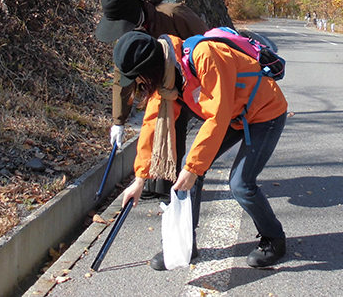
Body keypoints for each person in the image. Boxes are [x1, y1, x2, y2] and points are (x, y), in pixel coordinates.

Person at [114, 31, 288, 269]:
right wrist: (140, 179)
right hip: (235, 115)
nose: (140, 84)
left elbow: (217, 115)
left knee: (240, 184)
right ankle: (187, 243)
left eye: (139, 78)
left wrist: (193, 168)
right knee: (189, 169)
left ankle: (274, 239)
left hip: (264, 112)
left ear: (150, 68)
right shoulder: (165, 78)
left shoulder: (205, 57)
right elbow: (152, 126)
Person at [95, 0, 208, 199]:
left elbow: (207, 42)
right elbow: (123, 76)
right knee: (154, 124)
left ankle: (172, 185)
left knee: (176, 127)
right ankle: (153, 181)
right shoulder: (129, 33)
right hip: (157, 83)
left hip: (187, 80)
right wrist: (118, 121)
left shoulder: (173, 15)